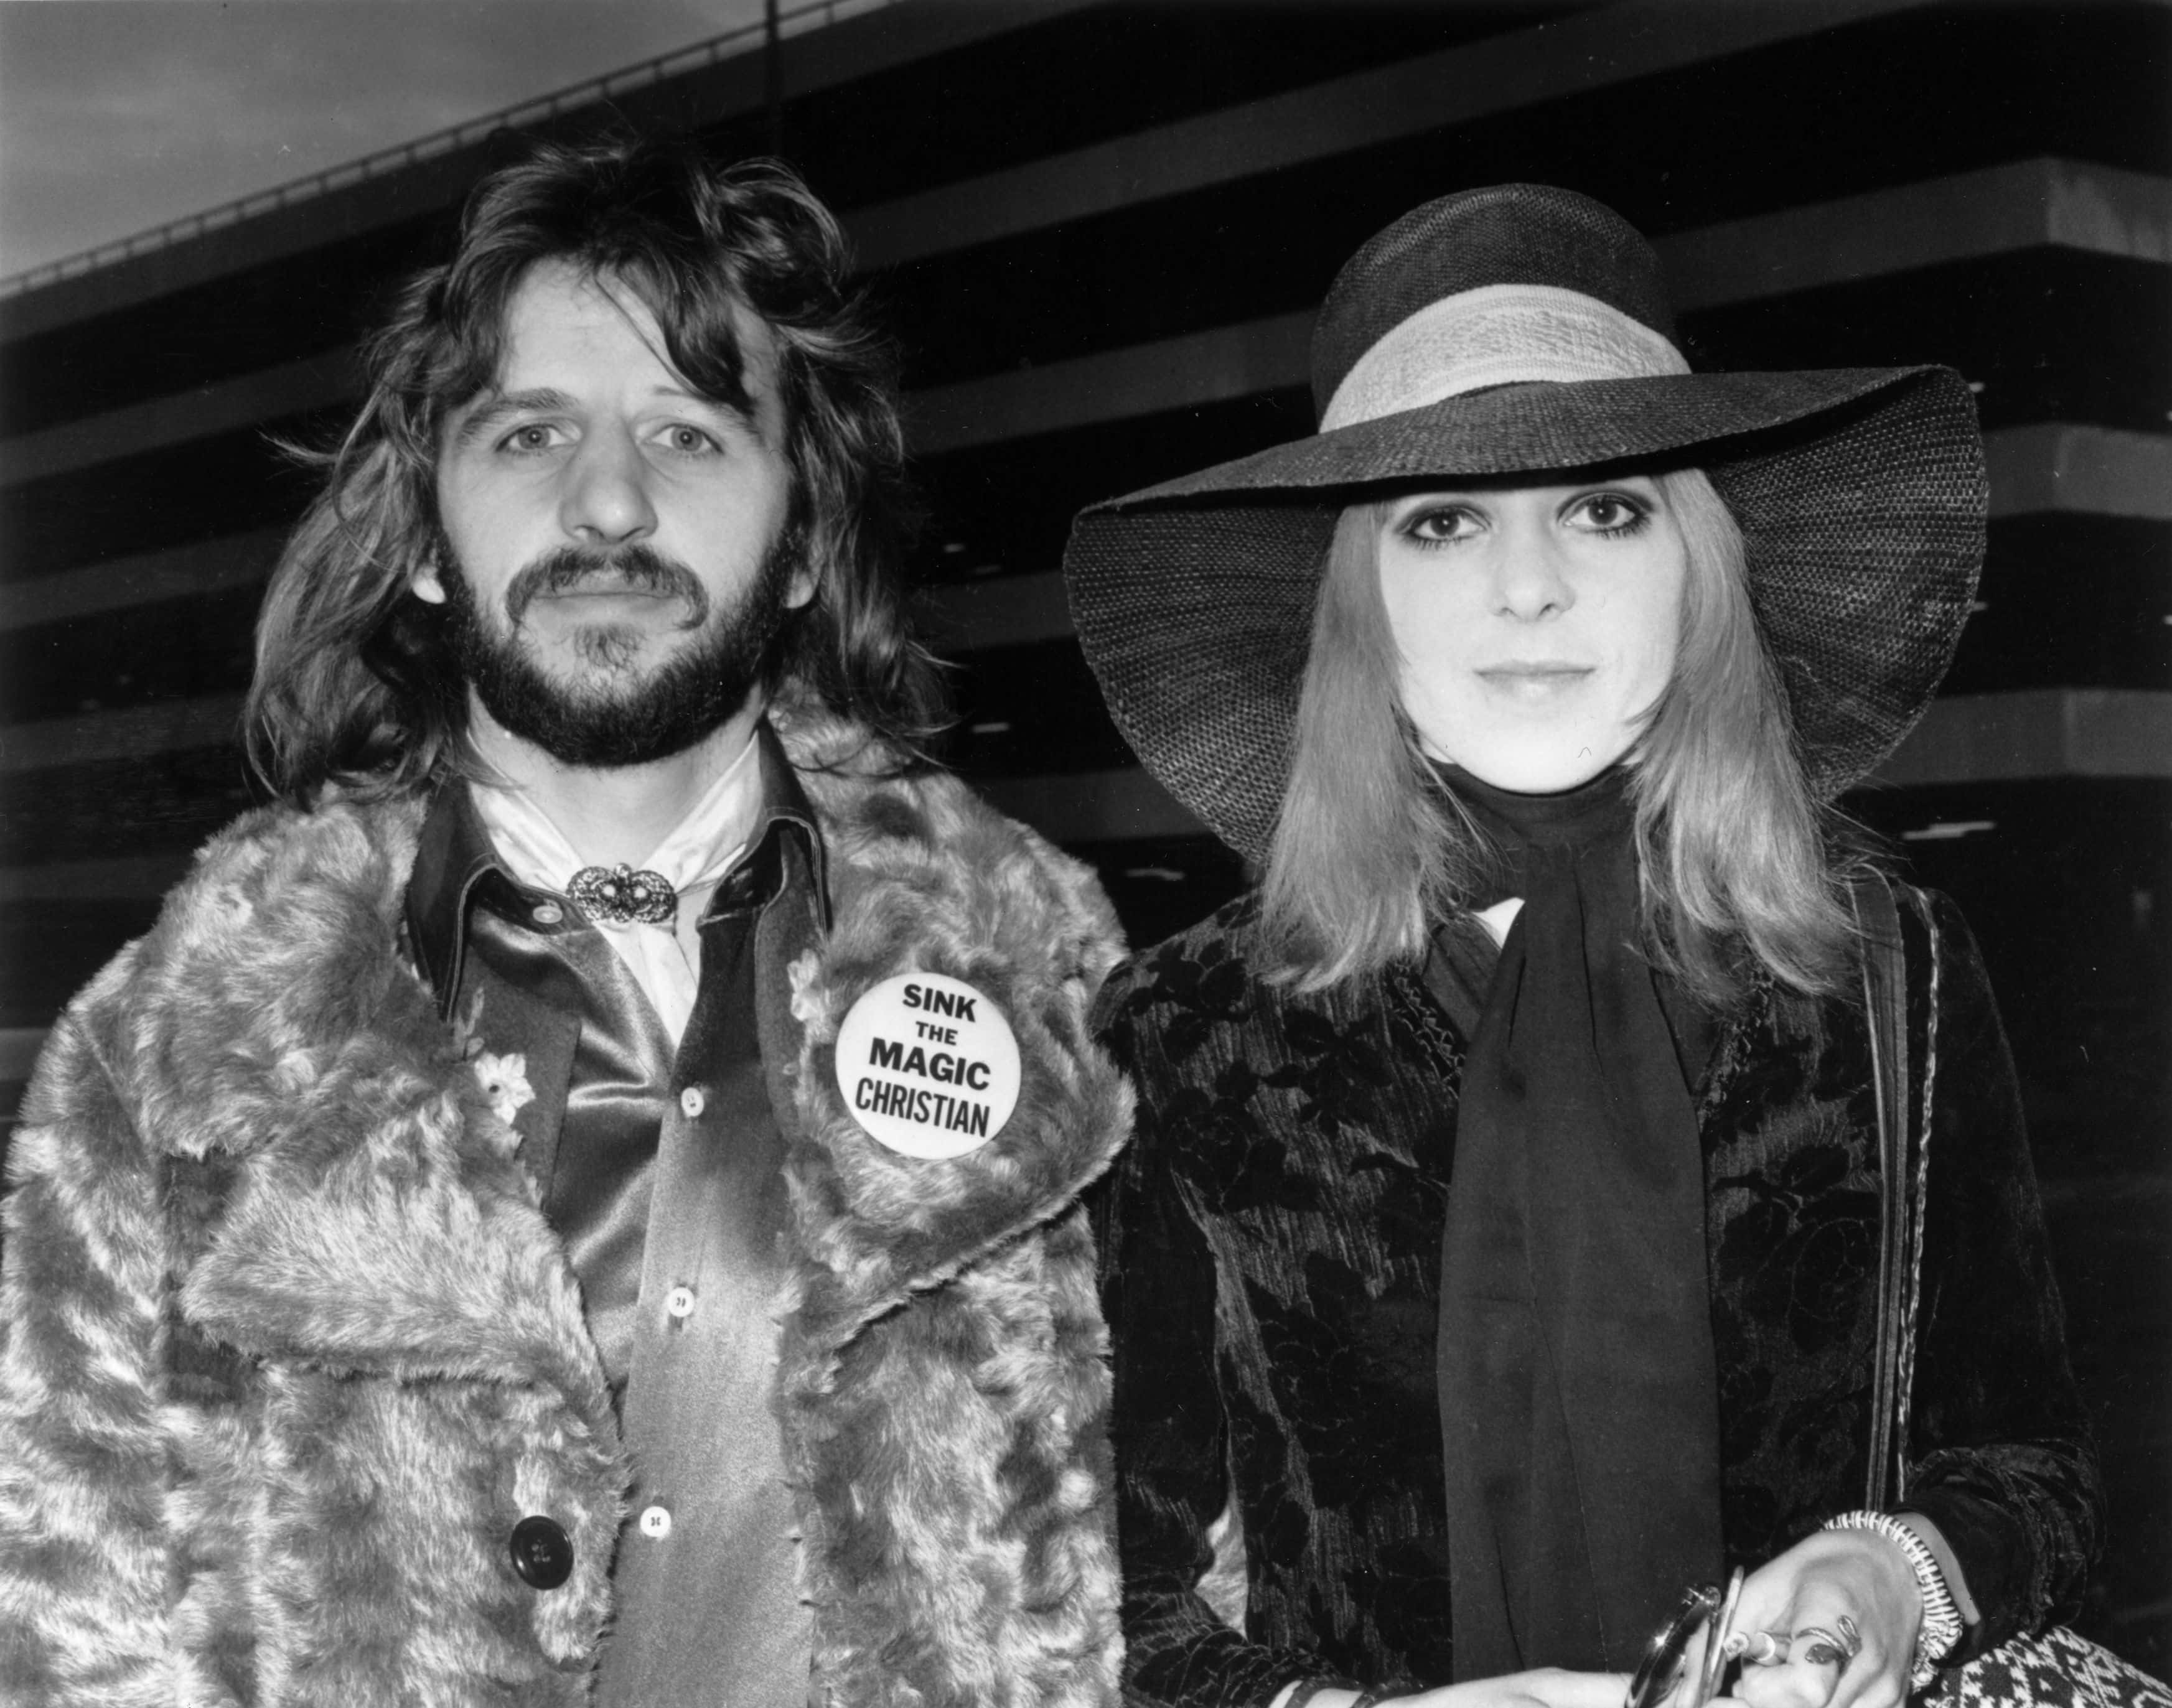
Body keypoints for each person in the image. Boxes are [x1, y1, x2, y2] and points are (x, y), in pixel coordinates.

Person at [0, 138, 1128, 1706]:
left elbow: (1188, 1566)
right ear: (421, 537)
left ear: (802, 541)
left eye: (689, 431)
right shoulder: (166, 1061)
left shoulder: (1060, 1000)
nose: (607, 501)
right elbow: (59, 1632)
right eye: (529, 432)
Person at [1063, 185, 2104, 1708]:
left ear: (1698, 567)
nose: (1529, 583)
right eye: (1440, 519)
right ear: (1356, 604)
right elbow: (1094, 1568)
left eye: (1605, 507)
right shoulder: (1190, 1022)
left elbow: (2030, 1459)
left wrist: (1898, 1575)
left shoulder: (1882, 966)